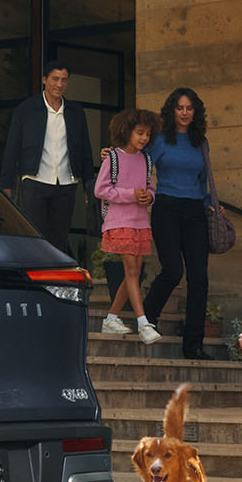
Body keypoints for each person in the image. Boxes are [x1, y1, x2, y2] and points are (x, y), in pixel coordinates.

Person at [141, 86, 222, 359]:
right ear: (172, 111)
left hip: (195, 211)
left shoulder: (201, 142)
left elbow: (202, 182)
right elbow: (138, 164)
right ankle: (146, 318)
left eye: (189, 108)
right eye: (180, 108)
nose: (185, 113)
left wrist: (209, 203)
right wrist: (112, 157)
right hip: (166, 208)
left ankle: (193, 345)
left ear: (195, 111)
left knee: (199, 277)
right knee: (173, 270)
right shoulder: (160, 140)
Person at [0, 60, 95, 260]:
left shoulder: (75, 111)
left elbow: (85, 149)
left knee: (59, 239)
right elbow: (12, 148)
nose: (59, 84)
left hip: (66, 183)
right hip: (35, 181)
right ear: (44, 80)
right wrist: (6, 185)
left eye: (64, 80)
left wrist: (89, 185)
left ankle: (55, 277)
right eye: (55, 79)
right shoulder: (27, 109)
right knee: (35, 238)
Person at [94, 108, 162, 344]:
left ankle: (111, 318)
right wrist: (131, 194)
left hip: (140, 222)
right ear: (127, 131)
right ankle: (143, 324)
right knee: (132, 270)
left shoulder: (146, 159)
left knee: (134, 272)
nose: (144, 138)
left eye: (147, 134)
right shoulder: (113, 158)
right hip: (119, 221)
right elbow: (100, 190)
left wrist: (148, 197)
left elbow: (150, 187)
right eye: (140, 133)